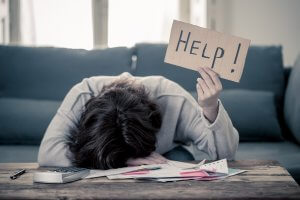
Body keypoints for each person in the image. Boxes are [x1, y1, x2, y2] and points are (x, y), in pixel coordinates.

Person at [38, 67, 239, 169]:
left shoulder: (173, 98)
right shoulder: (83, 94)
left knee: (182, 160)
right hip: (106, 156)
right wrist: (125, 160)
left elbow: (224, 155)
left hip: (164, 155)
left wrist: (210, 108)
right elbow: (48, 153)